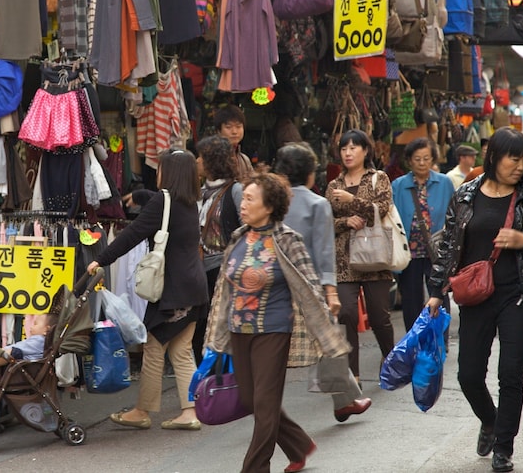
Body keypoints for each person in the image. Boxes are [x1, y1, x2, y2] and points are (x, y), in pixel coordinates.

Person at [427, 127, 523, 473]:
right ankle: (490, 419)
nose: (519, 166)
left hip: (517, 293)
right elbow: (448, 247)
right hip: (475, 295)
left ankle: (504, 447)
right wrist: (435, 291)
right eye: (513, 159)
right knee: (469, 375)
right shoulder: (466, 195)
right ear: (494, 157)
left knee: (511, 373)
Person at [205, 172, 349, 473]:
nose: (242, 204)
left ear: (269, 206)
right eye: (243, 198)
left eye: (250, 199)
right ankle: (298, 444)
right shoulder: (239, 237)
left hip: (273, 331)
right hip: (238, 331)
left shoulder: (287, 241)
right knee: (251, 399)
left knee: (265, 406)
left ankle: (255, 468)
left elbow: (309, 285)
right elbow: (224, 289)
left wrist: (327, 316)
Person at [87, 149, 208, 431]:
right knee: (179, 351)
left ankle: (143, 411)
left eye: (162, 168)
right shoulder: (190, 202)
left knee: (154, 347)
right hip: (193, 288)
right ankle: (188, 411)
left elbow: (133, 233)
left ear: (170, 173)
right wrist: (141, 196)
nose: (158, 172)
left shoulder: (165, 201)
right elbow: (157, 213)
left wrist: (101, 259)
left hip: (174, 291)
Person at [274, 143, 372, 422]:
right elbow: (323, 250)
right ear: (310, 174)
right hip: (309, 286)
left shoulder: (271, 199)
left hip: (274, 283)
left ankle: (263, 399)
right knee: (328, 342)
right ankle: (344, 401)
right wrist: (331, 292)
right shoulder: (318, 203)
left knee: (274, 347)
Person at [325, 129, 396, 383]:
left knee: (379, 317)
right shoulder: (334, 185)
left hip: (374, 254)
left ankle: (390, 360)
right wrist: (346, 221)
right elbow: (326, 222)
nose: (348, 152)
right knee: (346, 314)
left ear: (366, 151)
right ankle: (351, 374)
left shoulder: (378, 178)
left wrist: (352, 200)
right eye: (344, 148)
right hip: (344, 260)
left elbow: (383, 208)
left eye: (354, 147)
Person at [391, 138, 455, 332]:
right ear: (409, 160)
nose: (421, 163)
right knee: (411, 299)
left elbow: (454, 215)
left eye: (426, 158)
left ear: (432, 159)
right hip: (409, 251)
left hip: (437, 250)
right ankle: (414, 340)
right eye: (417, 158)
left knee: (439, 296)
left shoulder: (444, 183)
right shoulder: (398, 185)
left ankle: (439, 338)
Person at [193, 136, 243, 358]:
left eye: (201, 157)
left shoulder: (236, 191)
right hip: (199, 270)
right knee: (202, 330)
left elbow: (247, 229)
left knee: (221, 329)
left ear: (212, 161)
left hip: (224, 270)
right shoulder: (198, 192)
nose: (197, 161)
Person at [213, 105, 255, 179]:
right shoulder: (211, 158)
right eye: (228, 127)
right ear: (218, 131)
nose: (234, 132)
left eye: (238, 127)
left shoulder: (244, 159)